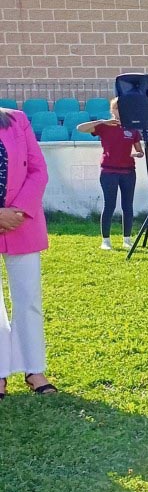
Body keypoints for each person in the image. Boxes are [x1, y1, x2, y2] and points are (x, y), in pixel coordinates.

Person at [0, 107, 56, 397]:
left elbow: (37, 169)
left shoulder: (16, 119)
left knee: (28, 299)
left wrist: (17, 211)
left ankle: (35, 369)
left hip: (22, 222)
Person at [77, 98, 142, 251]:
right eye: (117, 108)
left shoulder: (132, 129)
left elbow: (139, 149)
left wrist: (138, 154)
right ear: (112, 110)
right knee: (109, 205)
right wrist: (100, 122)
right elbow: (80, 128)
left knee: (128, 206)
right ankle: (105, 240)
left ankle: (127, 239)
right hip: (108, 171)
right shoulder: (104, 126)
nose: (120, 112)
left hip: (128, 172)